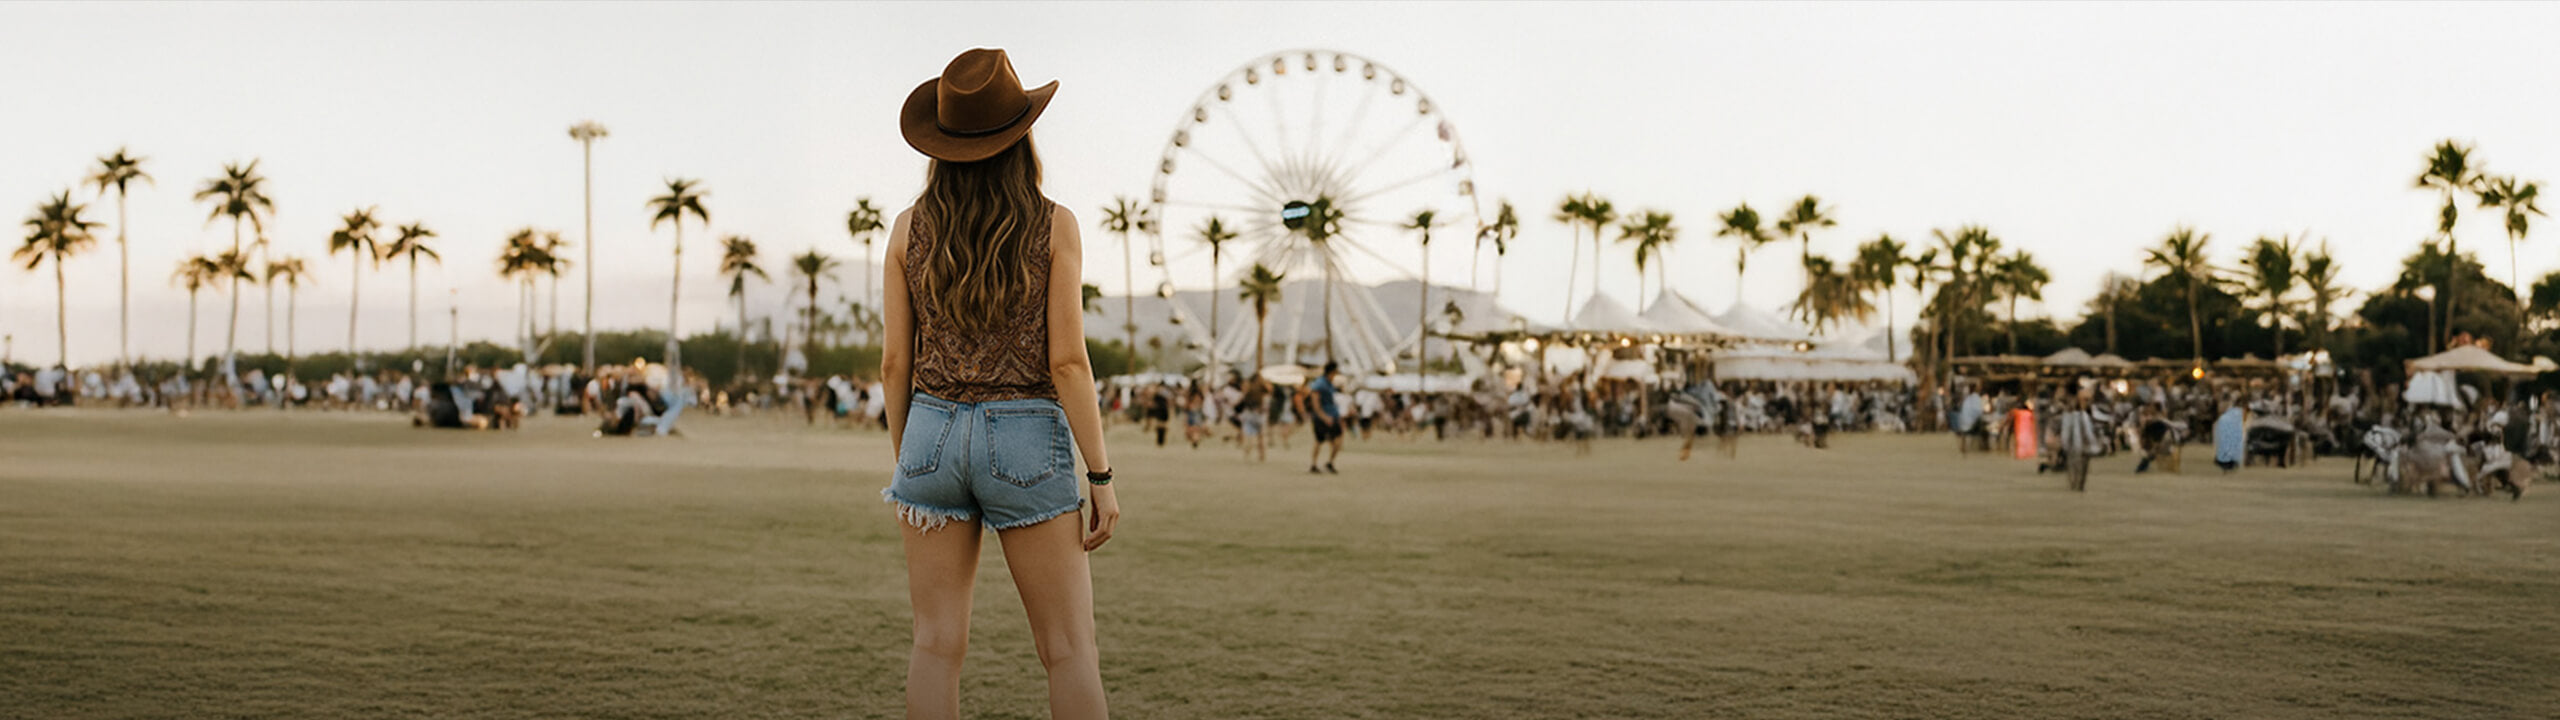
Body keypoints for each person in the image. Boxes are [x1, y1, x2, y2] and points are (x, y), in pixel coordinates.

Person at [877, 48, 1116, 720]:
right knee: (1068, 650)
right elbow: (1068, 363)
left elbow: (895, 363)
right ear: (1022, 136)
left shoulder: (907, 229)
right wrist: (1099, 476)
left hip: (927, 430)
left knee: (934, 644)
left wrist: (910, 458)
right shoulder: (1053, 224)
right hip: (1025, 438)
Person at [1305, 361, 1346, 473]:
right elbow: (1315, 402)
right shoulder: (1320, 383)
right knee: (1319, 440)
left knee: (1338, 439)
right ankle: (1313, 464)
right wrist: (1323, 416)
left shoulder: (1329, 383)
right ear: (1332, 372)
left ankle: (1329, 462)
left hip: (1332, 415)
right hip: (1322, 417)